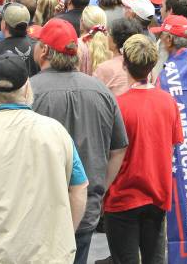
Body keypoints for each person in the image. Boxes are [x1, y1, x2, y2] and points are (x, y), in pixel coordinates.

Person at [0, 53, 89, 264]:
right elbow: (80, 187)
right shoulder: (56, 131)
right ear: (27, 87)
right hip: (49, 256)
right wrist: (65, 235)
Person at [30, 18, 128, 264]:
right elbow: (119, 148)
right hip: (85, 209)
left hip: (39, 210)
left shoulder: (30, 92)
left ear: (44, 51)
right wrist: (99, 188)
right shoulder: (100, 90)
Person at [103, 34, 183, 264]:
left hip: (122, 197)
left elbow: (112, 154)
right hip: (157, 194)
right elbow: (170, 149)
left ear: (124, 63)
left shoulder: (118, 106)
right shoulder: (168, 102)